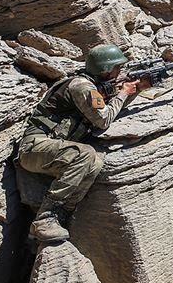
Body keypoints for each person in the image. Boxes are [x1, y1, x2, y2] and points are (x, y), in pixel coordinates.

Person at [16, 44, 150, 242]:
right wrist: (123, 93)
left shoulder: (93, 85)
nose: (119, 71)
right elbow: (103, 119)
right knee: (85, 154)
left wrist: (135, 91)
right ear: (105, 69)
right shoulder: (82, 86)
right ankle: (44, 220)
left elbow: (108, 111)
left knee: (96, 162)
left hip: (51, 148)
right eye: (117, 67)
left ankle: (62, 214)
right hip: (33, 148)